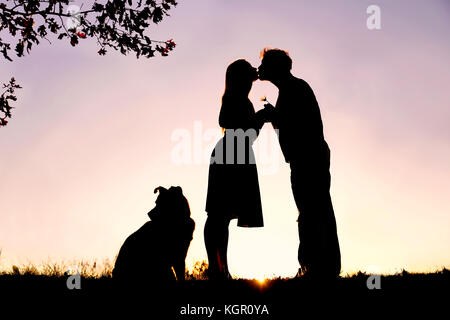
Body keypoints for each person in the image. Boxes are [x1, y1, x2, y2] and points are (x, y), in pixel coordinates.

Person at [258, 48, 341, 278]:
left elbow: (297, 127)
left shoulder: (294, 89)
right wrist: (276, 117)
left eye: (264, 64)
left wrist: (275, 117)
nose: (260, 68)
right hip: (308, 158)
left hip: (308, 159)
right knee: (315, 210)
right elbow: (292, 124)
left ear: (275, 67)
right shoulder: (292, 88)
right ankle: (320, 267)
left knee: (311, 212)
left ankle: (314, 267)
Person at [204, 59, 266, 280]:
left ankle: (221, 269)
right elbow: (227, 121)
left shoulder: (243, 100)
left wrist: (258, 120)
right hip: (230, 154)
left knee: (223, 215)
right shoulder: (233, 98)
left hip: (239, 154)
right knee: (218, 214)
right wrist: (257, 119)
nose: (254, 72)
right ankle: (215, 267)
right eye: (248, 70)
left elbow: (250, 135)